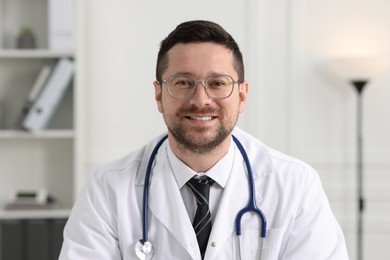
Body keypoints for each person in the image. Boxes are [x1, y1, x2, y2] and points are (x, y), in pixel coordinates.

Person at [59, 20, 349, 260]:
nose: (201, 100)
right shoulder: (108, 189)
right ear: (159, 95)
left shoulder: (295, 185)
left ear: (242, 95)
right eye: (183, 82)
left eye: (217, 83)